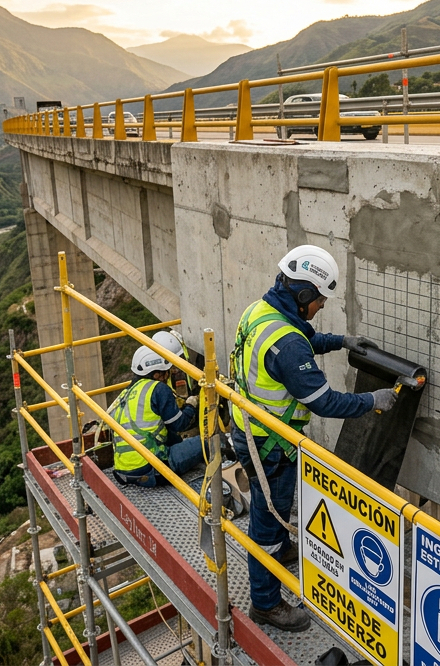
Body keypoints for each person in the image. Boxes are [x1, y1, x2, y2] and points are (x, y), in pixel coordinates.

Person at [231, 244, 396, 632]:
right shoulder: (286, 343)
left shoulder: (261, 311)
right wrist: (372, 400)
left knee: (267, 509)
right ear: (304, 295)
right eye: (319, 301)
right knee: (268, 521)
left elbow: (298, 339)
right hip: (270, 447)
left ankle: (276, 550)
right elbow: (324, 401)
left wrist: (340, 341)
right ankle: (266, 603)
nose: (320, 308)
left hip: (250, 432)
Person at [110, 344, 205, 487]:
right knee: (211, 441)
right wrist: (191, 405)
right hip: (153, 470)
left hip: (125, 471)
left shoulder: (126, 394)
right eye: (167, 371)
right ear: (156, 374)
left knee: (172, 436)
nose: (169, 374)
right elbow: (180, 424)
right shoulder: (158, 388)